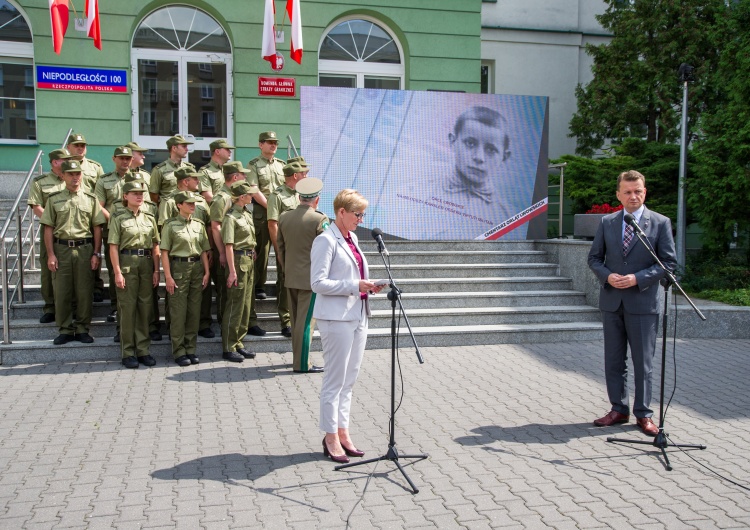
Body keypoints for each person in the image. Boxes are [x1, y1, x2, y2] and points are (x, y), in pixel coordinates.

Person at [587, 170, 677, 437]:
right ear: (619, 195)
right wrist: (608, 276)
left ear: (645, 192)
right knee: (614, 361)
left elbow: (668, 264)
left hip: (643, 304)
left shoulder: (660, 223)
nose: (633, 196)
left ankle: (644, 414)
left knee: (643, 362)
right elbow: (594, 259)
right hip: (612, 303)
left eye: (638, 191)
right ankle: (618, 409)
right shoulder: (607, 222)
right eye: (627, 192)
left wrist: (637, 278)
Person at [310, 189, 386, 463]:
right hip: (336, 318)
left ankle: (343, 432)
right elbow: (317, 283)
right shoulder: (325, 240)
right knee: (335, 380)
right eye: (357, 214)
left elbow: (353, 274)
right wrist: (355, 286)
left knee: (349, 381)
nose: (360, 219)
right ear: (341, 212)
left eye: (363, 214)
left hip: (358, 314)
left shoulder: (351, 237)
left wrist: (368, 286)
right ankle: (329, 436)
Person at [40, 159, 105, 345]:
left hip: (84, 249)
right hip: (61, 250)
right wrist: (51, 254)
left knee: (84, 292)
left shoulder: (90, 199)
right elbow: (48, 229)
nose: (75, 177)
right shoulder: (53, 199)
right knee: (62, 292)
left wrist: (96, 253)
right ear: (63, 175)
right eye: (70, 174)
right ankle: (66, 329)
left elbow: (97, 228)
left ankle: (83, 328)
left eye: (78, 174)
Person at [277, 177, 328, 373]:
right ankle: (302, 364)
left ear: (299, 198)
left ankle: (297, 358)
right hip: (310, 280)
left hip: (290, 277)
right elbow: (324, 252)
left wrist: (286, 269)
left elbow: (280, 249)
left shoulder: (284, 217)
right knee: (306, 323)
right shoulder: (319, 219)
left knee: (297, 320)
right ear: (317, 199)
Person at [108, 180, 160, 368]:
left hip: (146, 264)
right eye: (134, 193)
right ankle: (128, 352)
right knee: (128, 309)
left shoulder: (149, 218)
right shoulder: (118, 218)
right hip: (127, 263)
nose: (139, 196)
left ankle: (143, 350)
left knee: (145, 309)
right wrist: (117, 272)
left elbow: (155, 245)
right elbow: (113, 247)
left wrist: (156, 270)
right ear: (125, 196)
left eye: (141, 193)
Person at [158, 167, 215, 338]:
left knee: (200, 295)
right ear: (185, 181)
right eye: (194, 179)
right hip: (179, 254)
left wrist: (208, 249)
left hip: (198, 250)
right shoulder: (169, 202)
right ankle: (173, 328)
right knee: (176, 299)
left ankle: (201, 324)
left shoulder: (201, 201)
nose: (198, 182)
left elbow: (207, 225)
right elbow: (165, 230)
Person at [160, 191, 210, 366]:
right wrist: (167, 276)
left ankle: (190, 348)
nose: (192, 206)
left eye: (194, 203)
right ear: (179, 205)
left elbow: (203, 249)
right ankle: (179, 350)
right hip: (179, 268)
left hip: (196, 267)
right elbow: (164, 252)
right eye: (188, 203)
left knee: (194, 311)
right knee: (178, 311)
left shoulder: (199, 224)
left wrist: (207, 271)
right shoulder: (170, 225)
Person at [27, 148, 71, 323]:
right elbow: (36, 206)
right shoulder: (40, 182)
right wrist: (53, 220)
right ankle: (51, 307)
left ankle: (70, 307)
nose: (68, 163)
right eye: (64, 160)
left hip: (71, 233)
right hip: (50, 232)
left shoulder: (74, 179)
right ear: (55, 162)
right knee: (48, 271)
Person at [267, 157, 309, 337]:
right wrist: (278, 250)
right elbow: (272, 224)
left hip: (301, 246)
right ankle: (286, 321)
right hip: (286, 246)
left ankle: (298, 317)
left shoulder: (302, 195)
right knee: (285, 283)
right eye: (303, 173)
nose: (306, 176)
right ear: (294, 175)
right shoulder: (277, 195)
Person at [220, 181, 261, 363]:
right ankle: (228, 346)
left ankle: (238, 342)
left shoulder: (246, 213)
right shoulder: (231, 217)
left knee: (245, 304)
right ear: (241, 197)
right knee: (235, 305)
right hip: (237, 260)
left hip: (248, 259)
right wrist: (232, 271)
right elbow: (228, 246)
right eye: (249, 194)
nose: (252, 196)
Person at [210, 161, 252, 330]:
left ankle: (234, 330)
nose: (246, 177)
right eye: (243, 175)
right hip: (228, 250)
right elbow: (215, 226)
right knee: (225, 291)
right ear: (235, 177)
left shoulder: (235, 197)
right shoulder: (222, 198)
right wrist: (221, 252)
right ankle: (225, 328)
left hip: (237, 250)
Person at [95, 146, 134, 329]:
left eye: (128, 158)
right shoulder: (104, 180)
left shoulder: (139, 179)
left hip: (135, 230)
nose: (125, 161)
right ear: (114, 159)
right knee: (114, 269)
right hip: (111, 230)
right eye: (121, 158)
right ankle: (114, 306)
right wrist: (116, 220)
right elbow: (99, 205)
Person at [66, 132, 105, 301]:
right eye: (76, 145)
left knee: (94, 250)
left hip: (91, 212)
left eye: (83, 146)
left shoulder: (95, 167)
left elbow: (101, 191)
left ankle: (96, 285)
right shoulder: (64, 167)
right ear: (69, 147)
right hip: (70, 213)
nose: (80, 148)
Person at [248, 131, 285, 301]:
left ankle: (282, 284)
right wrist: (271, 207)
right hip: (262, 213)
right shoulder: (254, 164)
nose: (273, 145)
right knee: (261, 250)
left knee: (282, 248)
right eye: (269, 142)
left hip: (282, 214)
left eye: (275, 142)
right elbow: (254, 190)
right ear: (260, 144)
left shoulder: (281, 165)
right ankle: (259, 285)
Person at [150, 135, 196, 203]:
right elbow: (154, 195)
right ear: (174, 148)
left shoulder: (189, 168)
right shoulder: (159, 169)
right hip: (168, 209)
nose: (186, 149)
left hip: (186, 207)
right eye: (184, 146)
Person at [199, 139, 234, 203]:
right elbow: (207, 197)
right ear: (217, 151)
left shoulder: (229, 170)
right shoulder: (205, 171)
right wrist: (227, 204)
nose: (230, 152)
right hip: (216, 210)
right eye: (227, 149)